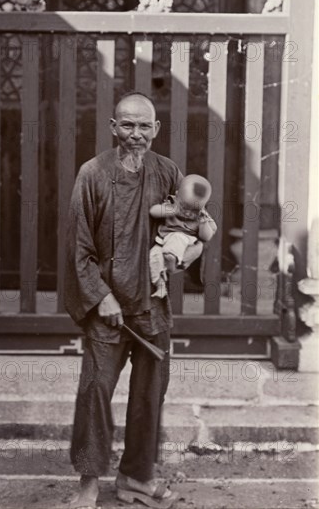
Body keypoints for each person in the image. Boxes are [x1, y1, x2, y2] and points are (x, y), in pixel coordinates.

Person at [64, 92, 204, 509]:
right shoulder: (92, 175)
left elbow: (190, 227)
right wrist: (99, 295)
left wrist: (183, 254)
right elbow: (78, 248)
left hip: (152, 307)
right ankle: (89, 482)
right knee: (95, 392)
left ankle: (135, 478)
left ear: (156, 129)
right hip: (107, 309)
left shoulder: (167, 173)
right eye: (127, 125)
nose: (136, 134)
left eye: (144, 126)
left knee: (149, 396)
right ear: (112, 127)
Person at [149, 174, 217, 298]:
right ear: (177, 195)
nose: (187, 212)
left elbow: (207, 236)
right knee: (153, 256)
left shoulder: (202, 214)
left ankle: (170, 258)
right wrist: (172, 210)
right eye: (184, 207)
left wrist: (203, 222)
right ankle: (160, 285)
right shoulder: (171, 202)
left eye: (193, 209)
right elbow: (153, 211)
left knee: (177, 238)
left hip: (185, 239)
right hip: (163, 240)